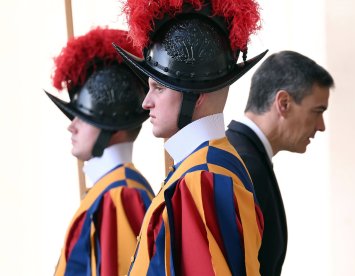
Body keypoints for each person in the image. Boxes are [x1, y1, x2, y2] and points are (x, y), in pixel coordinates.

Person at [114, 0, 267, 274]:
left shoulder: (202, 176)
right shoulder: (206, 165)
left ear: (196, 95)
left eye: (158, 88)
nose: (146, 102)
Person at [44, 27, 155, 276]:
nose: (71, 126)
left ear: (111, 123)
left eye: (83, 117)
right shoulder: (112, 189)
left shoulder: (120, 195)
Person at [226, 50, 335, 275]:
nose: (321, 126)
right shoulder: (242, 165)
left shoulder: (246, 156)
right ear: (283, 103)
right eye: (317, 111)